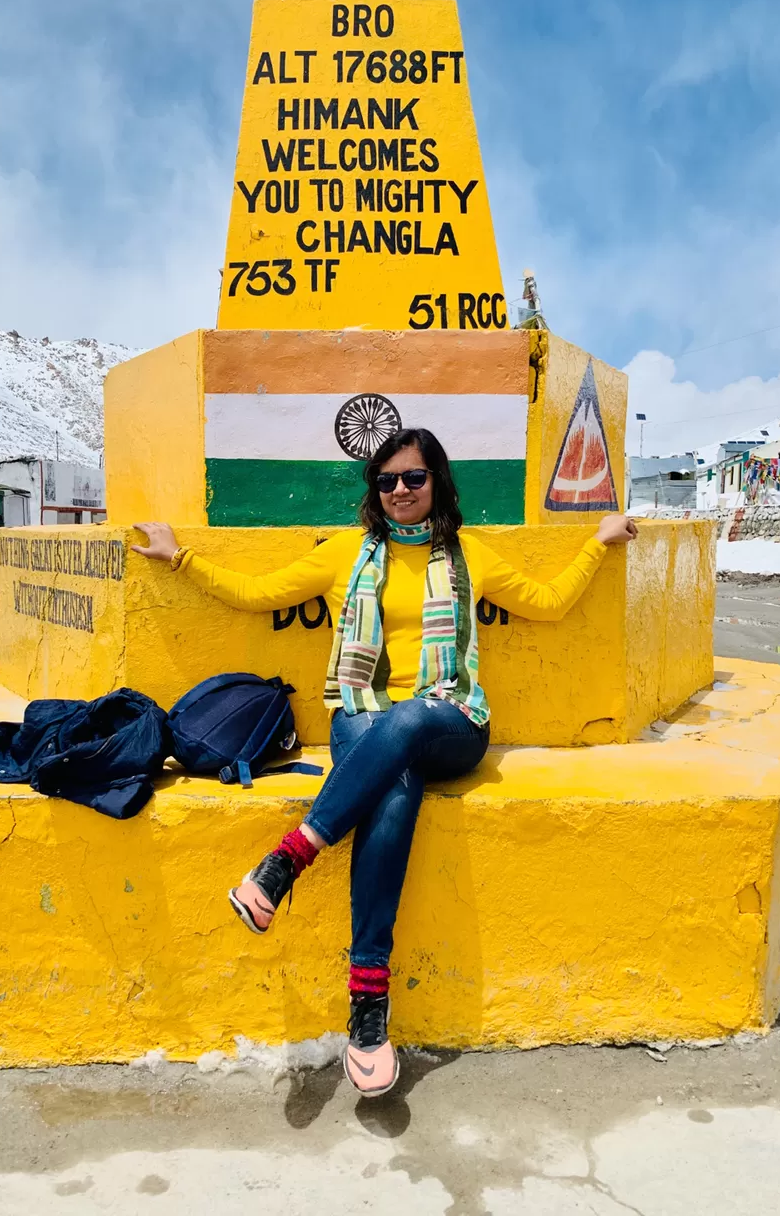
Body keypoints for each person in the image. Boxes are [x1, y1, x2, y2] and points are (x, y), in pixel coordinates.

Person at [132, 428, 637, 1098]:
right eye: (388, 480)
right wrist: (180, 559)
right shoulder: (346, 554)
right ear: (375, 490)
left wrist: (598, 544)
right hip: (364, 724)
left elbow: (547, 603)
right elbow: (259, 592)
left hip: (452, 723)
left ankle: (289, 858)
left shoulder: (468, 555)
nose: (401, 490)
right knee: (394, 789)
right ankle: (369, 1007)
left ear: (438, 483)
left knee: (406, 719)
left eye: (415, 478)